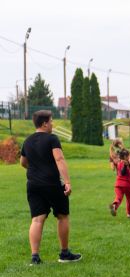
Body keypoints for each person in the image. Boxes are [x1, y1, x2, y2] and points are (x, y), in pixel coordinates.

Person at [20, 110, 81, 265]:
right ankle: (64, 254)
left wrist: (35, 169)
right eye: (51, 121)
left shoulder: (27, 141)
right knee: (62, 216)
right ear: (45, 123)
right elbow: (59, 159)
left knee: (37, 219)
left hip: (33, 184)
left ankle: (35, 257)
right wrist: (67, 181)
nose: (53, 123)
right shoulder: (52, 139)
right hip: (52, 183)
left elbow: (23, 162)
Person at [109, 138, 130, 215]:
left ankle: (115, 205)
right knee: (129, 195)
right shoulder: (126, 153)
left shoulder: (113, 155)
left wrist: (113, 159)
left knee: (119, 196)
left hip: (119, 178)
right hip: (127, 177)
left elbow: (112, 168)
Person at [109, 149, 130, 218]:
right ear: (125, 157)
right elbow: (123, 172)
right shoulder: (126, 163)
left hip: (118, 185)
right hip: (126, 185)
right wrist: (126, 165)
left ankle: (114, 206)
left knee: (118, 198)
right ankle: (129, 214)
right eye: (128, 156)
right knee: (129, 200)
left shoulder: (118, 163)